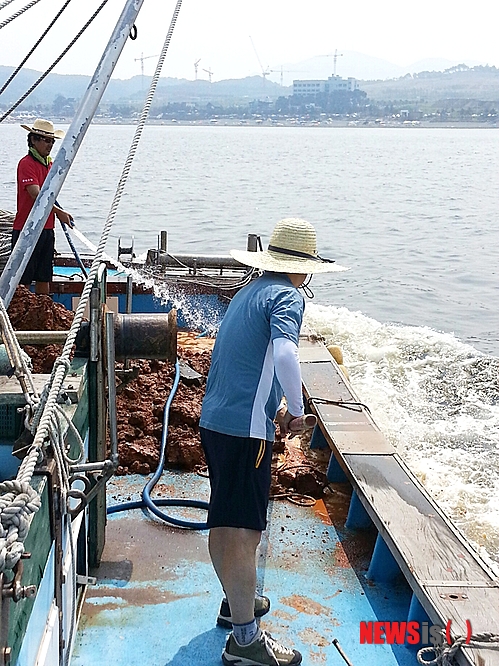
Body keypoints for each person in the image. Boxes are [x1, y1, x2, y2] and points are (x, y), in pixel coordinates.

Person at [199, 218, 348, 666]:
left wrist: (275, 406)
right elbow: (283, 353)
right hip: (246, 433)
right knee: (245, 533)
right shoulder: (288, 296)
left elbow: (250, 362)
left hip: (216, 421)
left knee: (224, 522)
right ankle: (246, 642)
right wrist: (299, 411)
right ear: (304, 268)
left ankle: (236, 604)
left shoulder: (248, 291)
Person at [12, 118, 73, 295]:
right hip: (27, 229)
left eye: (52, 141)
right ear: (33, 140)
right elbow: (36, 195)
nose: (50, 144)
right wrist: (59, 212)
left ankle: (42, 314)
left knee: (44, 276)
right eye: (46, 140)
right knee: (22, 279)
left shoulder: (50, 165)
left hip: (46, 228)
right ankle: (21, 318)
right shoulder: (26, 164)